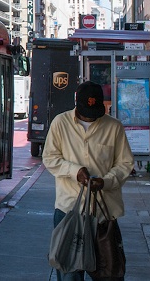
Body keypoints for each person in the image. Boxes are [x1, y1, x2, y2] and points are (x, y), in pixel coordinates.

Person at [43, 81, 134, 281]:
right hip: (68, 212)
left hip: (104, 214)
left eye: (93, 114)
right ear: (77, 105)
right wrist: (75, 171)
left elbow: (125, 163)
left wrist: (106, 181)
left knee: (109, 273)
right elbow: (49, 158)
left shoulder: (114, 127)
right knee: (69, 274)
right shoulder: (60, 123)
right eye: (85, 113)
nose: (89, 117)